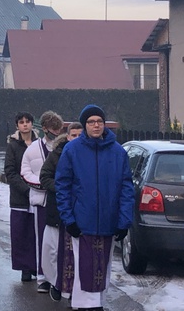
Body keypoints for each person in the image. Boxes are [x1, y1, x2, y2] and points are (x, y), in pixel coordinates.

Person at [55, 105, 135, 311]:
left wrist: (124, 221)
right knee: (85, 265)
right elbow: (62, 185)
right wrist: (69, 218)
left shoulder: (117, 151)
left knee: (103, 266)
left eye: (99, 121)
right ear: (85, 125)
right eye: (91, 122)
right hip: (82, 220)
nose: (96, 125)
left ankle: (98, 303)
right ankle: (84, 305)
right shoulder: (72, 150)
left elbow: (126, 187)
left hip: (108, 220)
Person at [20, 110, 63, 293]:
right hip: (41, 200)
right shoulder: (32, 149)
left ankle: (59, 276)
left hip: (60, 200)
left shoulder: (64, 147)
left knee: (59, 242)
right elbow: (25, 172)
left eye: (58, 128)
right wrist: (43, 184)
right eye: (53, 128)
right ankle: (42, 277)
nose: (56, 131)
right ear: (44, 128)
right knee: (42, 241)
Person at [39, 121, 82, 302]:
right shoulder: (57, 154)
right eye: (73, 135)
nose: (76, 139)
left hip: (79, 212)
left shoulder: (88, 155)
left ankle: (74, 291)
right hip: (58, 211)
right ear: (67, 136)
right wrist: (61, 188)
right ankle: (55, 283)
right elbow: (44, 176)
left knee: (76, 255)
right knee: (54, 251)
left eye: (80, 136)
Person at [4, 111, 40, 282]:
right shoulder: (13, 145)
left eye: (28, 121)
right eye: (21, 122)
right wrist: (25, 189)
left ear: (32, 124)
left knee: (37, 232)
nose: (25, 124)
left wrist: (38, 186)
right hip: (20, 196)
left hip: (39, 194)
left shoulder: (39, 143)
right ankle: (24, 267)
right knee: (21, 233)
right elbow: (10, 171)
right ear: (17, 125)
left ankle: (37, 265)